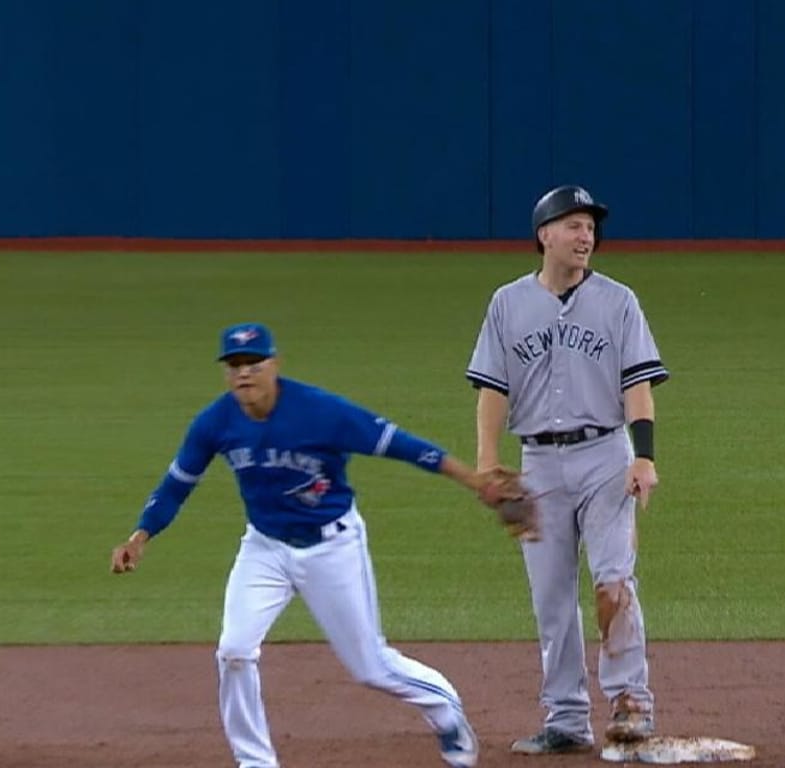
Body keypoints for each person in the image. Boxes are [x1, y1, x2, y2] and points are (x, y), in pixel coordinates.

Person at [110, 322, 534, 768]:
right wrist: (141, 536)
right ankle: (255, 762)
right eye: (234, 365)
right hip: (265, 548)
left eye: (253, 363)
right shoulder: (216, 422)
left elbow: (403, 446)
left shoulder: (320, 412)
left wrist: (473, 480)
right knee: (234, 650)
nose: (244, 374)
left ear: (274, 364)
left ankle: (446, 711)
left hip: (332, 547)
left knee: (371, 666)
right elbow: (178, 484)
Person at [465, 185, 670, 754]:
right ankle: (566, 717)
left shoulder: (618, 301)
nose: (587, 237)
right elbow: (491, 388)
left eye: (591, 228)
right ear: (544, 235)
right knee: (551, 596)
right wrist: (487, 464)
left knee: (613, 581)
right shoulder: (507, 304)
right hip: (537, 465)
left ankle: (632, 703)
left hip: (606, 456)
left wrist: (645, 456)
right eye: (575, 226)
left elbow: (639, 384)